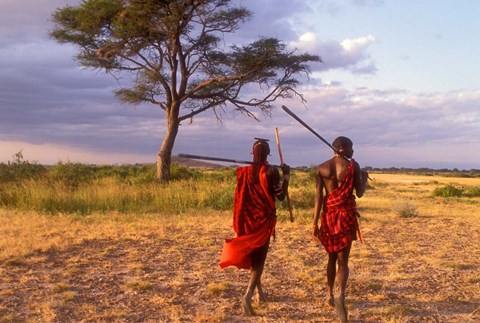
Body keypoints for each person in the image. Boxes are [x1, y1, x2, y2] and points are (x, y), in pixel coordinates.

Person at [219, 138, 290, 316]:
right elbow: (280, 196)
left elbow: (239, 198)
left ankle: (260, 293)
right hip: (263, 222)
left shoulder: (245, 172)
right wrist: (286, 177)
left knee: (254, 259)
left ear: (253, 153)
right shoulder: (271, 171)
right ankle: (248, 295)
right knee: (259, 261)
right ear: (268, 154)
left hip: (247, 221)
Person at [312, 136, 368, 323]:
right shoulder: (354, 166)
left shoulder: (322, 167)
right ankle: (340, 295)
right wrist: (363, 179)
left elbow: (319, 197)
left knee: (331, 257)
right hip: (345, 216)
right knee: (343, 262)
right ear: (342, 148)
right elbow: (359, 193)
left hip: (328, 217)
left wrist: (314, 223)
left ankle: (329, 294)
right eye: (351, 148)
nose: (354, 151)